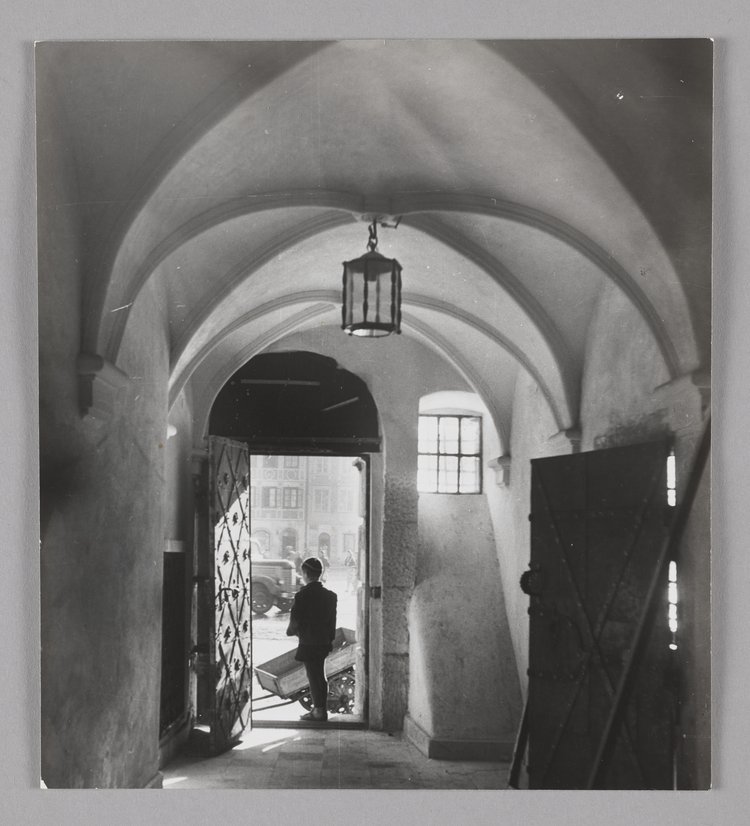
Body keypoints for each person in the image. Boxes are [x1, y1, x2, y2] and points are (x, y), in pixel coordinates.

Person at [286, 557, 338, 722]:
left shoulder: (302, 595)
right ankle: (320, 709)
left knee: (313, 676)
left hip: (308, 642)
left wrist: (292, 632)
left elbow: (294, 621)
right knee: (320, 676)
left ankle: (319, 711)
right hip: (323, 642)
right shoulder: (331, 596)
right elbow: (332, 622)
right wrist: (329, 639)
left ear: (305, 574)